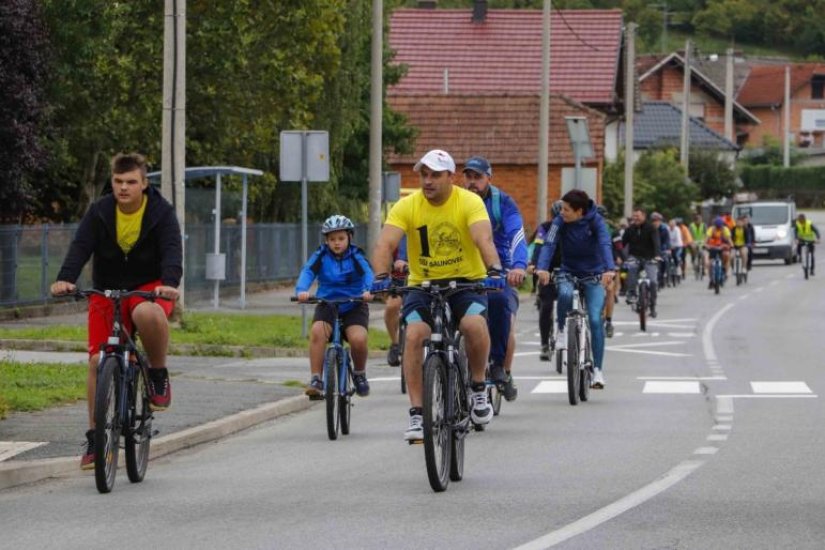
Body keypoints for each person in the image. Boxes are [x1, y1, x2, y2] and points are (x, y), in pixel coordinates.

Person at [50, 153, 182, 470]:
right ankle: (97, 441)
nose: (124, 188)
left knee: (147, 314)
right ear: (112, 182)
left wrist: (169, 282)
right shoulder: (100, 211)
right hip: (107, 289)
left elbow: (171, 249)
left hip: (148, 286)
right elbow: (80, 246)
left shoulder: (161, 212)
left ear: (144, 183)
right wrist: (66, 278)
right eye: (118, 181)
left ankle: (158, 374)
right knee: (97, 360)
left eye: (131, 182)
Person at [371, 149, 504, 442]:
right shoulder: (407, 206)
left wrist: (494, 269)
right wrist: (381, 278)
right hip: (424, 284)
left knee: (472, 325)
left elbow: (483, 238)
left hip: (466, 282)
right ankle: (418, 414)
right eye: (424, 175)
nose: (427, 181)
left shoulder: (468, 202)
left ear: (450, 177)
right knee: (415, 335)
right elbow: (384, 244)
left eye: (435, 175)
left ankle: (479, 388)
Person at [461, 156, 528, 401]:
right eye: (468, 176)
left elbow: (517, 234)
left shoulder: (503, 203)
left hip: (499, 271)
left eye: (477, 177)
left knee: (500, 304)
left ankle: (499, 364)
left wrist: (519, 266)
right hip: (463, 268)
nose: (472, 182)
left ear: (489, 178)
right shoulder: (456, 201)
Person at [535, 190, 615, 388]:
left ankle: (597, 371)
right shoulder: (559, 222)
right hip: (568, 271)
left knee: (596, 319)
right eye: (561, 208)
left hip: (594, 274)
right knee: (564, 293)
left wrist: (609, 269)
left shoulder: (596, 222)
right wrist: (542, 268)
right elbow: (549, 243)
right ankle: (562, 331)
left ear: (579, 211)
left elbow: (605, 243)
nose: (561, 212)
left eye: (566, 209)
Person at [295, 215, 374, 399]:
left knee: (359, 339)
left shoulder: (356, 255)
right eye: (332, 239)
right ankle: (316, 379)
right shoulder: (321, 255)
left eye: (341, 238)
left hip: (354, 304)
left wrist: (370, 290)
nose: (336, 243)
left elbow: (368, 274)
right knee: (316, 332)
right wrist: (302, 290)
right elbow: (307, 271)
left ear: (349, 238)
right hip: (328, 304)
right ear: (326, 241)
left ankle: (360, 374)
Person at [528, 202, 562, 360]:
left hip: (567, 268)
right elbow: (538, 247)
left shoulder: (573, 228)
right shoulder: (544, 227)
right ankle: (544, 344)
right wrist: (535, 265)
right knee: (546, 306)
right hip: (546, 268)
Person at [622, 207, 661, 318]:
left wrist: (657, 255)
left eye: (638, 216)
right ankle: (631, 294)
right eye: (634, 216)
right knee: (631, 271)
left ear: (644, 216)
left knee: (653, 281)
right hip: (634, 256)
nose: (635, 218)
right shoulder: (630, 229)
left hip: (650, 257)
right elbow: (623, 244)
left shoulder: (651, 228)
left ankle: (652, 307)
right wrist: (619, 255)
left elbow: (656, 243)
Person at [384, 236, 408, 367]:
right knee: (392, 306)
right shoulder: (396, 234)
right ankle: (395, 343)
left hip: (423, 277)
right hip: (399, 279)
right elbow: (384, 253)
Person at [704, 216, 733, 283]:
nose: (718, 227)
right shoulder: (711, 229)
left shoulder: (725, 229)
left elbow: (729, 240)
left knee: (727, 255)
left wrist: (731, 245)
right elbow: (706, 240)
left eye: (720, 226)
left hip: (722, 248)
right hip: (713, 248)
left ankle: (725, 271)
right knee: (710, 263)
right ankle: (711, 279)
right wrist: (705, 245)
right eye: (717, 226)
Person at [651, 212, 670, 288]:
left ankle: (663, 277)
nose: (655, 222)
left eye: (657, 220)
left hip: (662, 249)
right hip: (651, 249)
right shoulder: (649, 229)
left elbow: (666, 241)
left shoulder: (664, 229)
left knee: (665, 261)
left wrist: (667, 249)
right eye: (654, 220)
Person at [667, 217, 684, 282]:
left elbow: (678, 239)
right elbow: (667, 239)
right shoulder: (667, 229)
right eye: (670, 225)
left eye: (672, 225)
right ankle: (668, 272)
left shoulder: (677, 230)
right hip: (670, 246)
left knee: (677, 257)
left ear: (674, 225)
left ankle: (678, 269)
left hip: (678, 246)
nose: (671, 227)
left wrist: (674, 246)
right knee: (668, 257)